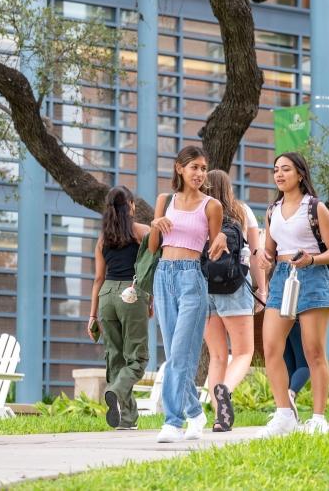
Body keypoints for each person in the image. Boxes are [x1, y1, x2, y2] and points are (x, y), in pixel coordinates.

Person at [259, 152, 329, 437]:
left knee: (313, 351)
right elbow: (269, 251)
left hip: (313, 276)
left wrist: (311, 259)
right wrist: (263, 258)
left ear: (300, 174)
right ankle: (284, 414)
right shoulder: (272, 210)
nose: (279, 175)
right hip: (283, 277)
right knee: (271, 347)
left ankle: (318, 418)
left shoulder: (315, 208)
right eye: (275, 170)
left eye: (285, 169)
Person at [148, 145, 228, 443]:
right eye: (194, 167)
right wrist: (155, 225)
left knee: (180, 353)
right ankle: (196, 413)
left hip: (192, 278)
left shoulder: (212, 206)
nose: (200, 173)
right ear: (179, 168)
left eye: (203, 168)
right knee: (173, 354)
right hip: (163, 277)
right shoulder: (164, 201)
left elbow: (216, 245)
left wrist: (221, 237)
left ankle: (172, 421)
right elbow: (154, 247)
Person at [201, 170, 267, 432]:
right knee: (243, 352)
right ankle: (224, 390)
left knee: (217, 355)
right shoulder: (242, 211)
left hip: (204, 287)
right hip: (235, 286)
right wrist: (262, 289)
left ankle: (220, 419)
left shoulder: (199, 211)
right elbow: (255, 253)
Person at [87, 185, 150, 430]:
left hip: (106, 296)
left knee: (115, 358)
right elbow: (150, 266)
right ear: (131, 206)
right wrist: (149, 297)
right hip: (130, 294)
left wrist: (92, 315)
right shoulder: (141, 231)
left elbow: (97, 279)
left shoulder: (103, 238)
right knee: (138, 358)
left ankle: (127, 418)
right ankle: (115, 390)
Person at [283, 320, 310, 411]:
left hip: (282, 321)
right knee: (305, 365)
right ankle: (291, 392)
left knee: (290, 370)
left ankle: (288, 412)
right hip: (299, 319)